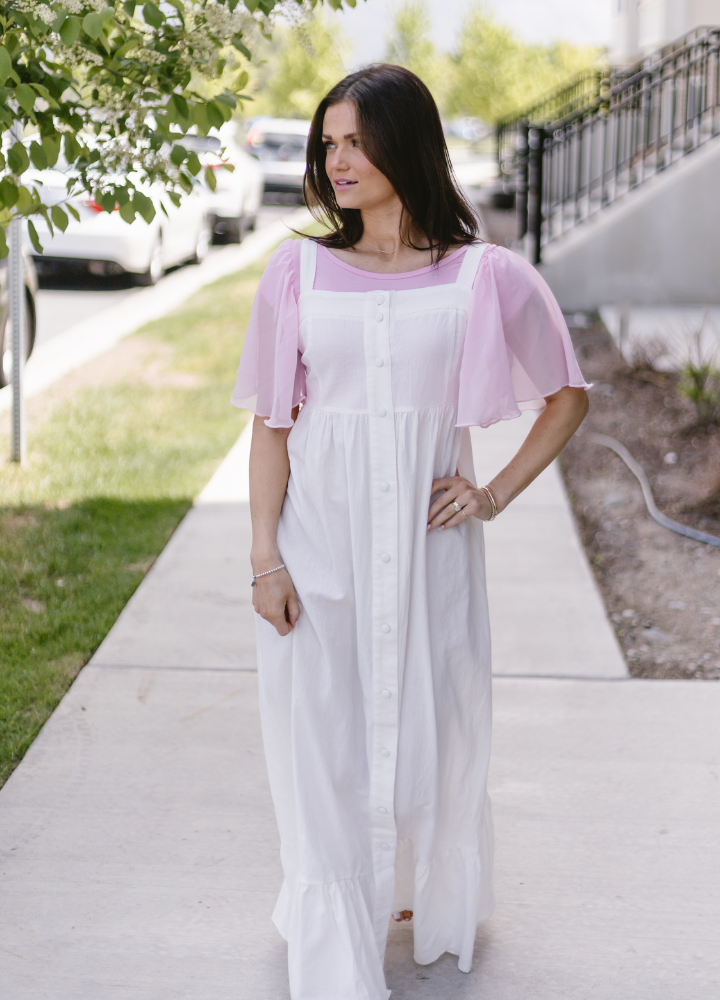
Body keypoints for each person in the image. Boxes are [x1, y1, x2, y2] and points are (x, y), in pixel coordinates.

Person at [232, 64, 589, 1000]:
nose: (334, 160)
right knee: (320, 734)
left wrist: (496, 492)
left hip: (430, 548)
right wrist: (263, 560)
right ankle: (334, 934)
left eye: (355, 140)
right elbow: (271, 427)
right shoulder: (295, 271)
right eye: (328, 142)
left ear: (405, 145)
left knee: (436, 728)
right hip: (319, 540)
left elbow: (567, 394)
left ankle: (416, 891)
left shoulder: (483, 274)